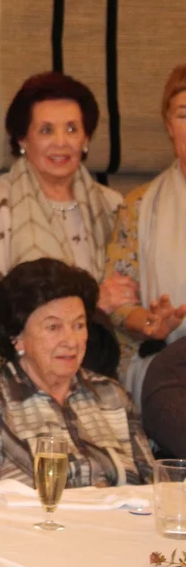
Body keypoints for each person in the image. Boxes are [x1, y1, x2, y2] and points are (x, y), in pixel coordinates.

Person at [0, 258, 154, 493]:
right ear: (18, 337)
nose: (71, 341)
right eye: (53, 327)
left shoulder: (112, 395)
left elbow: (153, 487)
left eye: (78, 326)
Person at [0, 72, 134, 313]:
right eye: (46, 130)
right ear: (23, 140)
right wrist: (94, 305)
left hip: (106, 337)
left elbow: (127, 294)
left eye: (72, 129)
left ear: (86, 138)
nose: (61, 142)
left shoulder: (113, 205)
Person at [105, 64, 186, 400]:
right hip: (167, 368)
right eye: (184, 114)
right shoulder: (139, 206)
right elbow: (119, 303)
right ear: (168, 125)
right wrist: (152, 324)